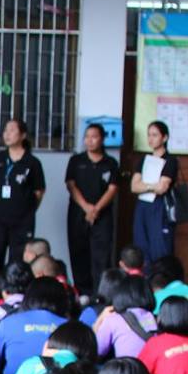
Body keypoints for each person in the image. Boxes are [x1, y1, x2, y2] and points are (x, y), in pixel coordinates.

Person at [0, 118, 45, 283]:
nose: (7, 134)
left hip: (22, 220)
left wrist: (27, 210)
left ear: (23, 135)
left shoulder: (32, 162)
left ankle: (15, 291)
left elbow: (39, 192)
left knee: (17, 259)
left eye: (12, 130)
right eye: (5, 130)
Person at [63, 122, 119, 299]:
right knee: (78, 252)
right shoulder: (76, 160)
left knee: (101, 255)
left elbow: (112, 189)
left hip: (102, 216)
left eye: (94, 137)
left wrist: (96, 209)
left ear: (102, 139)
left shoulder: (110, 163)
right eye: (86, 137)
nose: (89, 140)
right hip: (78, 213)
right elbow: (71, 185)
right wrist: (86, 207)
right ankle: (82, 293)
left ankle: (100, 294)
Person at [130, 120, 181, 264]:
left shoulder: (170, 161)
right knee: (141, 244)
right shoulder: (143, 160)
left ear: (164, 138)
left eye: (155, 135)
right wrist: (152, 186)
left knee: (160, 246)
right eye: (149, 135)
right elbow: (134, 186)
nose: (151, 139)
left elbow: (162, 188)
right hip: (143, 205)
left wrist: (145, 185)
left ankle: (161, 277)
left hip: (160, 207)